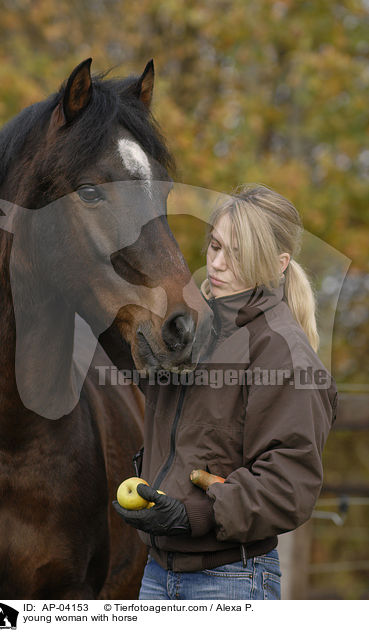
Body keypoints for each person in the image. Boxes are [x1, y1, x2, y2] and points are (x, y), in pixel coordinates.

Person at [112, 184, 338, 600]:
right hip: (157, 574)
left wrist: (191, 515)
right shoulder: (190, 327)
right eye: (214, 245)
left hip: (230, 580)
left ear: (278, 264)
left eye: (236, 254)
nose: (216, 263)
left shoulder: (283, 351)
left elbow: (289, 484)